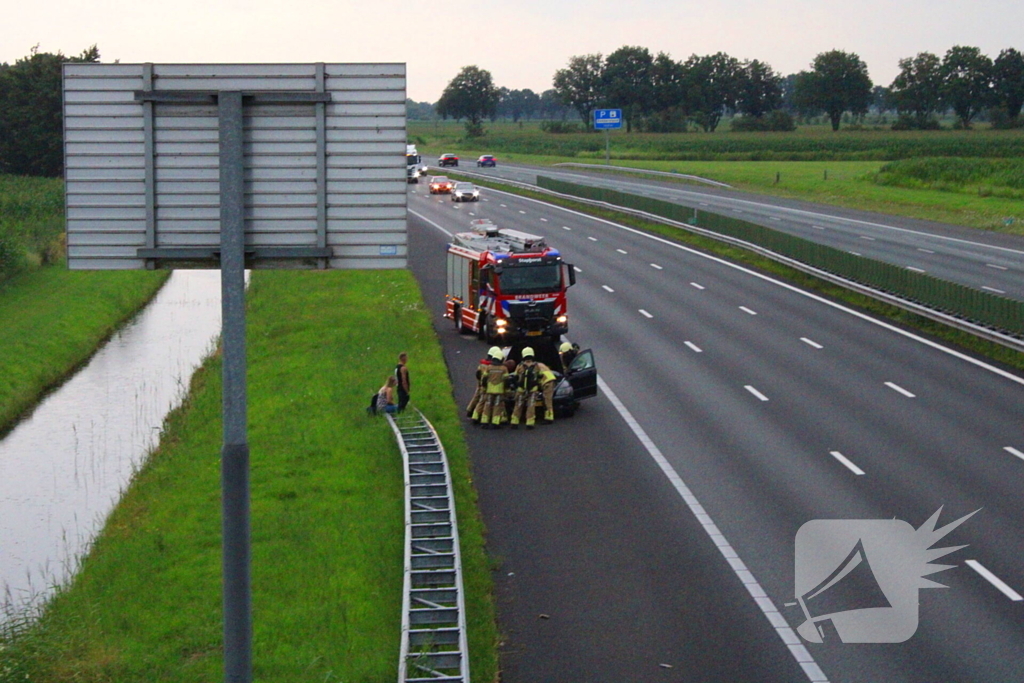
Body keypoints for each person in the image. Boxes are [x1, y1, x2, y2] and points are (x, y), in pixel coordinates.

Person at [510, 346, 557, 429]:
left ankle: (514, 422)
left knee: (518, 405)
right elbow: (540, 376)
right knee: (532, 405)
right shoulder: (537, 365)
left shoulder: (520, 366)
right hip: (534, 389)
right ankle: (530, 423)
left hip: (522, 389)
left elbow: (515, 376)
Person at [476, 346, 509, 429]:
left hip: (489, 390)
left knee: (487, 406)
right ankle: (495, 423)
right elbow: (507, 381)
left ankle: (484, 422)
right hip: (499, 391)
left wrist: (484, 387)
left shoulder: (489, 367)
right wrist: (507, 390)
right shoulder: (504, 369)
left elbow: (484, 379)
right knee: (497, 407)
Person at [467, 351, 493, 421]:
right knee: (483, 400)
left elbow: (478, 375)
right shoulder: (488, 367)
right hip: (484, 385)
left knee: (476, 396)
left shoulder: (481, 365)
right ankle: (477, 416)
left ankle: (470, 410)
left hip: (480, 384)